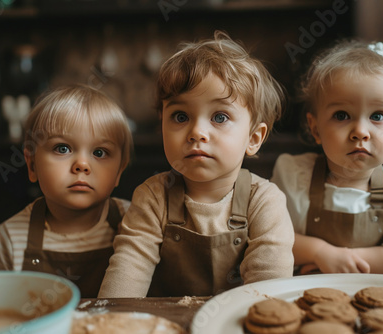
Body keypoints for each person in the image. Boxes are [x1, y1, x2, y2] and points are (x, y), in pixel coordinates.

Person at [98, 31, 294, 298]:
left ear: (253, 138)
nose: (197, 132)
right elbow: (128, 271)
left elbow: (269, 292)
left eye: (220, 117)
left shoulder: (264, 202)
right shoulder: (153, 197)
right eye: (180, 116)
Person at [270, 40, 383, 276]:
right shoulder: (293, 176)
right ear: (315, 128)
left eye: (377, 115)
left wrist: (338, 261)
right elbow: (270, 240)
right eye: (342, 115)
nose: (360, 131)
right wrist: (320, 253)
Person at [0, 84, 133, 297]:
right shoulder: (10, 238)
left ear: (119, 170)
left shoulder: (135, 223)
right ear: (32, 165)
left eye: (99, 152)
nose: (82, 165)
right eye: (62, 148)